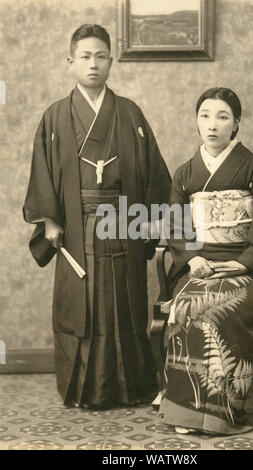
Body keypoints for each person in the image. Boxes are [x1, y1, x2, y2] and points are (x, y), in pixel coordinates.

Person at [23, 24, 171, 409]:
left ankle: (132, 385)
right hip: (77, 225)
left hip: (123, 223)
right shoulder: (55, 117)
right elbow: (42, 172)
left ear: (111, 61)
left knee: (123, 304)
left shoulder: (130, 113)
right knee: (83, 307)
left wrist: (152, 217)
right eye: (85, 56)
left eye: (101, 56)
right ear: (70, 61)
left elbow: (154, 172)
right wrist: (49, 220)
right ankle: (84, 389)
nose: (93, 64)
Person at [159, 87, 253, 435]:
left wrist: (246, 263)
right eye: (205, 115)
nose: (212, 124)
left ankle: (223, 413)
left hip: (244, 266)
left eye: (222, 117)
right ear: (196, 121)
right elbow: (175, 223)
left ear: (236, 123)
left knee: (226, 305)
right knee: (187, 306)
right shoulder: (185, 173)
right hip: (201, 263)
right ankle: (184, 412)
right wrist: (190, 259)